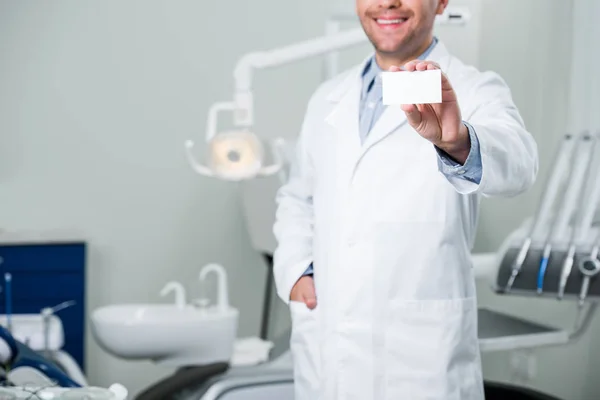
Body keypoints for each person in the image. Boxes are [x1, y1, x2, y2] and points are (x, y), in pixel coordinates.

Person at [272, 0, 538, 398]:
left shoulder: (474, 88)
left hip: (420, 365)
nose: (387, 3)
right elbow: (297, 197)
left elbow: (519, 162)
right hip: (329, 351)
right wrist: (296, 271)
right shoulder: (328, 97)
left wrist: (458, 141)